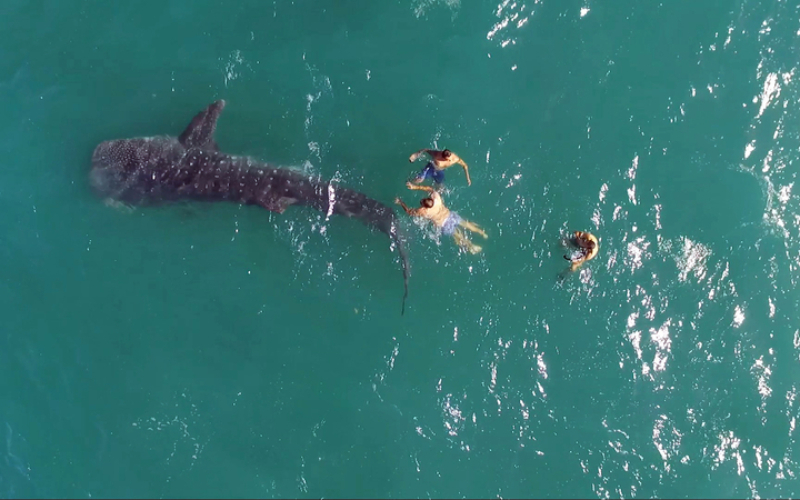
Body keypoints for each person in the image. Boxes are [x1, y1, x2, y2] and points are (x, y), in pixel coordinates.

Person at [395, 182, 486, 254]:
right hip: (451, 216)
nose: (421, 202)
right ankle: (481, 233)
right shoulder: (436, 198)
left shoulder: (423, 211)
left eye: (422, 203)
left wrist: (400, 202)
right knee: (466, 224)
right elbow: (430, 189)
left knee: (459, 237)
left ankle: (471, 245)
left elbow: (409, 212)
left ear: (425, 206)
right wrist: (416, 187)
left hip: (444, 224)